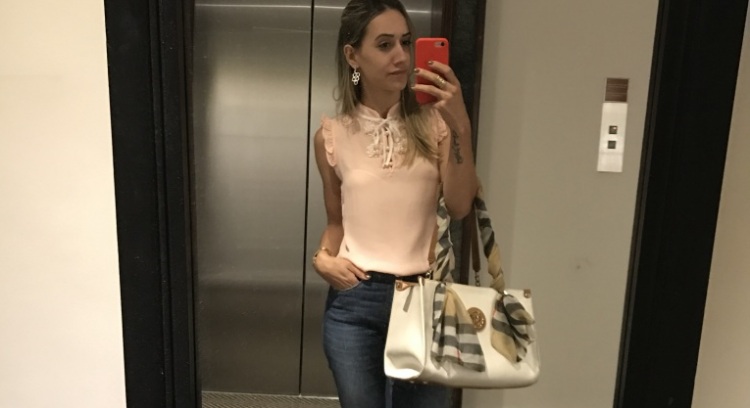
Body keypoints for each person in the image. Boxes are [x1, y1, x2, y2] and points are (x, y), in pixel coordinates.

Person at [311, 1, 477, 407]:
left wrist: (460, 124)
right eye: (385, 45)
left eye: (405, 42)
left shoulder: (435, 125)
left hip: (422, 300)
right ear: (353, 55)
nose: (401, 56)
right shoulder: (331, 135)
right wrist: (322, 259)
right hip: (354, 303)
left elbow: (459, 206)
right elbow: (336, 223)